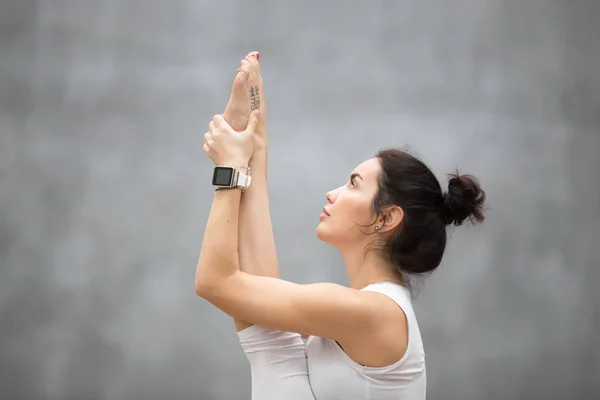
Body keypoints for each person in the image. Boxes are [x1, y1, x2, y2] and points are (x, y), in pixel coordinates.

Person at [196, 52, 486, 399]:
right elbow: (270, 340)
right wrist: (253, 140)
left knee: (270, 343)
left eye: (353, 183)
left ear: (386, 217)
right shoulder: (363, 312)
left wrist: (230, 170)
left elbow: (216, 282)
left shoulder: (372, 313)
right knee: (270, 342)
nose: (332, 193)